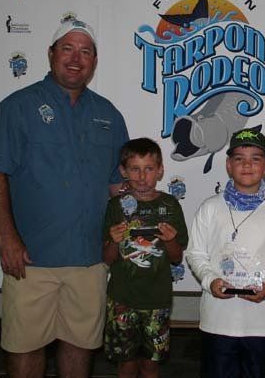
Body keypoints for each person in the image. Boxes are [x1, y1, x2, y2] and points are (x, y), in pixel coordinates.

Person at [0, 20, 129, 378]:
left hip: (89, 259)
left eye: (85, 51)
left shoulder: (109, 114)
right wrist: (7, 237)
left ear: (94, 61)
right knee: (25, 346)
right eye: (67, 48)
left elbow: (117, 185)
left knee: (80, 345)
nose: (76, 59)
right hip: (32, 259)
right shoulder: (17, 106)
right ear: (51, 54)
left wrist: (136, 224)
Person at [185, 127, 265, 378]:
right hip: (218, 321)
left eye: (255, 159)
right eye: (239, 159)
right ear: (228, 165)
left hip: (262, 324)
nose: (247, 165)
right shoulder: (210, 208)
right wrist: (210, 280)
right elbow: (196, 254)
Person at [103, 138, 188, 378]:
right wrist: (114, 241)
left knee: (151, 365)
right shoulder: (115, 206)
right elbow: (107, 258)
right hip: (122, 298)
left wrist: (170, 240)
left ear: (160, 170)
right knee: (126, 363)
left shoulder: (170, 204)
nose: (142, 177)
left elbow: (176, 257)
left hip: (157, 300)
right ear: (123, 172)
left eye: (149, 168)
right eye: (135, 169)